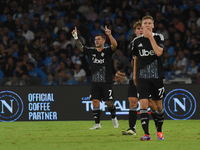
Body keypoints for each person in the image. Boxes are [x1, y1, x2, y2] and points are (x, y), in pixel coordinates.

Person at [72, 25, 118, 130]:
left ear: (103, 41)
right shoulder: (92, 51)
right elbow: (81, 47)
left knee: (109, 103)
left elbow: (115, 45)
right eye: (95, 39)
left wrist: (109, 35)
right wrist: (75, 36)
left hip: (106, 82)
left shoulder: (107, 51)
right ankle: (97, 124)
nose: (96, 41)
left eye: (98, 39)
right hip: (95, 82)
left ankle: (113, 117)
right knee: (95, 102)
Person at [122, 21, 158, 136]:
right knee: (132, 102)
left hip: (148, 77)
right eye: (138, 28)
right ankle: (132, 129)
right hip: (135, 77)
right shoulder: (133, 43)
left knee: (151, 103)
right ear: (135, 31)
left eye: (142, 28)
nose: (141, 30)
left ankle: (158, 126)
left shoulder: (150, 40)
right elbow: (134, 61)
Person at [132, 15, 165, 141]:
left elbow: (158, 52)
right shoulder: (136, 42)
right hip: (142, 77)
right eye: (145, 23)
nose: (147, 25)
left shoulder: (158, 37)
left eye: (149, 23)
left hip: (156, 76)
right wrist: (135, 76)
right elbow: (136, 59)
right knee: (144, 104)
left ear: (153, 25)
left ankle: (159, 131)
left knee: (158, 106)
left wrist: (150, 37)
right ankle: (146, 134)